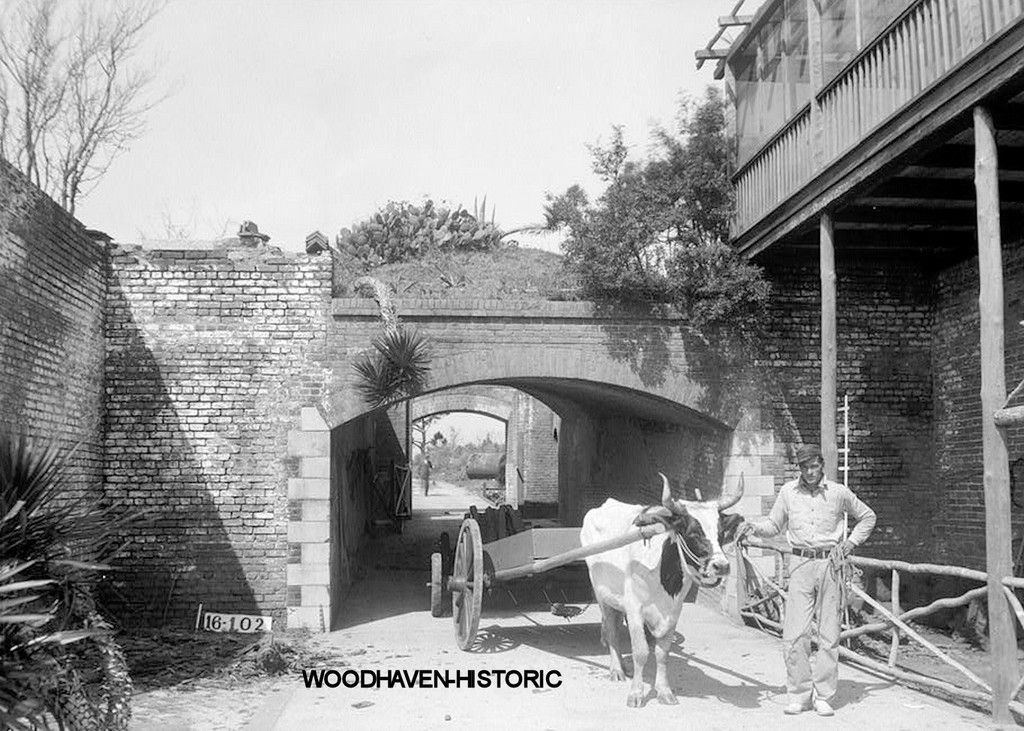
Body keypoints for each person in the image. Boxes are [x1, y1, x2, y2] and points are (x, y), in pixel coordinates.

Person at [737, 443, 876, 717]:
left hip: (830, 565)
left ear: (821, 465)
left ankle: (824, 695)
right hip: (799, 565)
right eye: (804, 467)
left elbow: (868, 517)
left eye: (814, 466)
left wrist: (850, 544)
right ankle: (799, 694)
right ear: (798, 468)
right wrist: (753, 526)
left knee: (828, 635)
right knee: (794, 635)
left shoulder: (838, 493)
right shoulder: (788, 492)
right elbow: (774, 525)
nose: (810, 472)